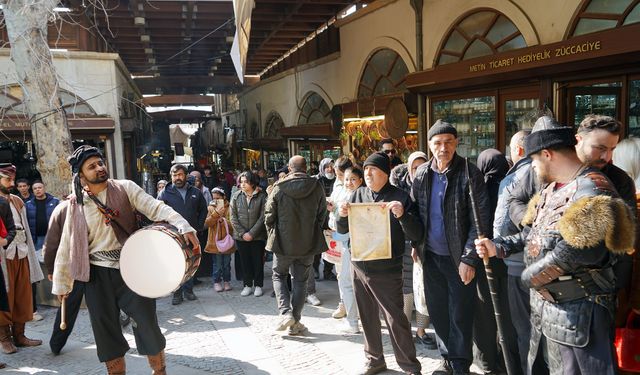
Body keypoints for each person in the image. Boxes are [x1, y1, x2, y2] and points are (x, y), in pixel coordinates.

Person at [475, 121, 636, 375]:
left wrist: (530, 276)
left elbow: (579, 251)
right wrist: (498, 247)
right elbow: (532, 235)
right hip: (550, 313)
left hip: (582, 316)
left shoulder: (593, 189)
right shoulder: (552, 189)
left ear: (547, 155)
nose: (534, 169)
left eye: (535, 162)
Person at [49, 145, 199, 374]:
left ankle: (159, 371)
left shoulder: (125, 188)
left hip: (132, 268)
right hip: (96, 276)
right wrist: (61, 283)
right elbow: (67, 246)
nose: (99, 168)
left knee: (147, 324)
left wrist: (183, 224)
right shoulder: (74, 205)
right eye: (92, 166)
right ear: (81, 176)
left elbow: (155, 207)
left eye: (100, 163)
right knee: (106, 332)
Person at [411, 120, 490, 375]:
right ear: (430, 145)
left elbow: (480, 220)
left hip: (458, 258)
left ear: (456, 143)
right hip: (431, 256)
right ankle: (446, 359)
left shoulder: (469, 172)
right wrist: (416, 244)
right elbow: (417, 212)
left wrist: (468, 259)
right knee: (437, 311)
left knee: (460, 313)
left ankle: (460, 364)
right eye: (437, 143)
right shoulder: (422, 173)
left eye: (448, 142)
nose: (443, 147)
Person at [337, 152, 423, 375]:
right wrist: (342, 214)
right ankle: (374, 360)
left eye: (373, 170)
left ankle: (410, 366)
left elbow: (416, 233)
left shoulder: (400, 197)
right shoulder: (357, 195)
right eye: (365, 170)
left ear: (385, 173)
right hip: (359, 265)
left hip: (387, 270)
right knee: (367, 316)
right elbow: (341, 228)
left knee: (396, 320)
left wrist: (403, 215)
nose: (367, 174)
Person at [492, 130, 541, 375]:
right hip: (534, 263)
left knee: (525, 332)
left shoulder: (518, 177)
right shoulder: (536, 172)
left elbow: (503, 225)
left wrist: (498, 246)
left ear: (518, 150)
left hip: (518, 263)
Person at [265, 155, 327, 336]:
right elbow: (322, 214)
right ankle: (296, 320)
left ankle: (285, 313)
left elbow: (269, 215)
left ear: (290, 169)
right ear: (306, 168)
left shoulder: (279, 187)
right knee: (300, 280)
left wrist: (273, 232)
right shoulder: (316, 186)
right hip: (308, 242)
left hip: (283, 242)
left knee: (278, 275)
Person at [389, 151, 437, 349]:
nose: (418, 171)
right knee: (406, 289)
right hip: (403, 245)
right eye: (414, 167)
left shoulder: (432, 185)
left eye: (422, 166)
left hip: (425, 244)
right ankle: (404, 330)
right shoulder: (398, 189)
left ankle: (421, 331)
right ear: (408, 168)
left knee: (423, 289)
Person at [473, 148, 514, 374]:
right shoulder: (509, 186)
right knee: (506, 314)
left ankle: (485, 361)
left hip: (483, 260)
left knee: (484, 313)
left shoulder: (478, 189)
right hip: (507, 259)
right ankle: (505, 360)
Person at [0, 164, 44, 355]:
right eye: (7, 180)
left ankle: (20, 335)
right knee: (5, 297)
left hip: (22, 251)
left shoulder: (17, 200)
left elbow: (25, 226)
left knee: (22, 296)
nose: (12, 183)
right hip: (3, 255)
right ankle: (5, 339)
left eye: (12, 180)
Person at [158, 164, 207, 305]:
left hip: (191, 234)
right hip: (173, 235)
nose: (177, 178)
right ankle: (177, 293)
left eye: (179, 174)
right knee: (174, 264)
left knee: (190, 262)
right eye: (174, 175)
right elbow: (158, 213)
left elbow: (203, 210)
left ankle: (189, 290)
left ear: (186, 175)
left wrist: (197, 226)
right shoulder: (164, 193)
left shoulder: (195, 192)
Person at [326, 156, 360, 333]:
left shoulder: (362, 194)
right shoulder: (339, 187)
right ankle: (350, 314)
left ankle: (354, 320)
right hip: (342, 239)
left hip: (354, 242)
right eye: (344, 178)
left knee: (351, 281)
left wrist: (339, 210)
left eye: (352, 179)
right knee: (343, 278)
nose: (346, 181)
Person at [25, 180, 60, 322]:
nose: (38, 190)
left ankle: (58, 295)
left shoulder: (55, 201)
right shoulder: (28, 205)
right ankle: (45, 298)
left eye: (40, 187)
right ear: (32, 191)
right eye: (35, 189)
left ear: (44, 188)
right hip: (36, 239)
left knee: (55, 264)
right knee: (40, 267)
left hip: (52, 237)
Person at [230, 171, 267, 297]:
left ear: (252, 182)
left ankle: (258, 285)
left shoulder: (262, 196)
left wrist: (251, 233)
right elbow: (232, 217)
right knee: (245, 261)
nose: (243, 184)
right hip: (241, 237)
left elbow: (263, 217)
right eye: (241, 182)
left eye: (246, 182)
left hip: (257, 236)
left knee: (257, 261)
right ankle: (247, 285)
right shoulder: (236, 196)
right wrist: (243, 233)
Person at [205, 187, 234, 292]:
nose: (216, 200)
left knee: (226, 264)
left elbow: (234, 224)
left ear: (224, 197)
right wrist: (216, 214)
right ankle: (217, 281)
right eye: (214, 198)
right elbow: (207, 223)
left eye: (218, 198)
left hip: (227, 240)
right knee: (217, 264)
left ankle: (227, 281)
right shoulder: (210, 208)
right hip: (214, 241)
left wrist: (225, 221)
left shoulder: (230, 208)